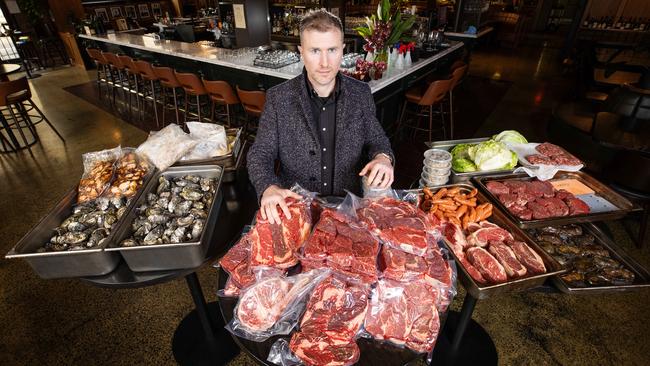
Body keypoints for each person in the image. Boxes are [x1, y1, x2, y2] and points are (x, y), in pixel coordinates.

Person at [247, 9, 394, 224]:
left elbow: (377, 140)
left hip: (349, 209)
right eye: (315, 50)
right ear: (301, 52)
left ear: (342, 50)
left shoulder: (361, 93)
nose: (325, 63)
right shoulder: (279, 98)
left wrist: (383, 158)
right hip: (296, 210)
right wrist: (268, 187)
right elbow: (260, 154)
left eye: (332, 50)